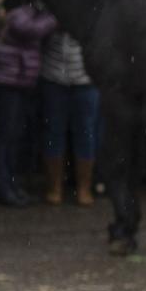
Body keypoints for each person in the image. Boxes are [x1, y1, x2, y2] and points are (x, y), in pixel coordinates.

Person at [0, 0, 55, 207]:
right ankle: (1, 185)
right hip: (4, 80)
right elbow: (28, 29)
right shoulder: (10, 11)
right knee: (3, 136)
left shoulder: (15, 8)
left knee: (12, 135)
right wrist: (54, 16)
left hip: (18, 80)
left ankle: (9, 183)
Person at [38, 19, 99, 206]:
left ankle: (84, 188)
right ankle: (54, 187)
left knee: (86, 134)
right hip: (53, 76)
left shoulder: (95, 5)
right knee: (53, 131)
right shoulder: (50, 3)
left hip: (85, 78)